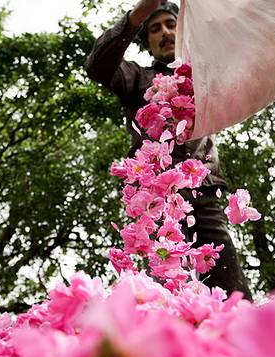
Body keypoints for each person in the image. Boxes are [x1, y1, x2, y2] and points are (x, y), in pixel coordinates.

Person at [85, 0, 252, 299]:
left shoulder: (206, 77)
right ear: (147, 44)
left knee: (230, 287)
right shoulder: (137, 77)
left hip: (206, 189)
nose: (164, 32)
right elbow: (97, 67)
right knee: (166, 281)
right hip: (155, 195)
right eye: (155, 28)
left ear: (185, 31)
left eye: (171, 24)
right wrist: (140, 12)